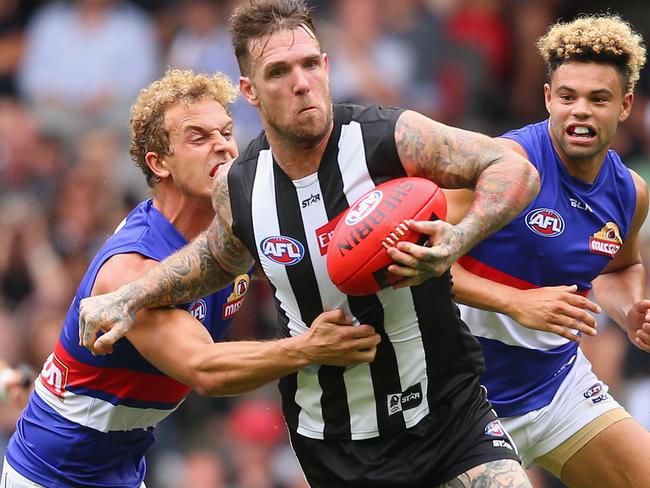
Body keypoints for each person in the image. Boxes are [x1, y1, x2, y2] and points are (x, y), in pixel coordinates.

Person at [78, 1, 541, 486]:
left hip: (450, 414)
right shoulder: (239, 186)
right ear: (250, 92)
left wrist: (458, 239)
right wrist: (131, 296)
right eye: (278, 71)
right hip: (337, 445)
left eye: (310, 64)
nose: (301, 82)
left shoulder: (389, 137)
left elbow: (513, 169)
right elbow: (219, 256)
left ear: (327, 66)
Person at [0, 68, 381, 487]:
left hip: (121, 469)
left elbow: (311, 256)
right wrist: (311, 348)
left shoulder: (237, 227)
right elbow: (205, 370)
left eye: (226, 133)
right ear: (158, 163)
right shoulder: (131, 269)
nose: (221, 147)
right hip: (53, 475)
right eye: (199, 138)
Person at [393, 14, 650, 488]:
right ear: (548, 97)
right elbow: (417, 255)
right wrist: (516, 303)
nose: (581, 112)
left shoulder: (630, 193)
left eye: (599, 99)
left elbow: (620, 266)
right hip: (464, 406)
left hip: (559, 389)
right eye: (568, 97)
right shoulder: (506, 166)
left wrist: (630, 308)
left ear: (625, 106)